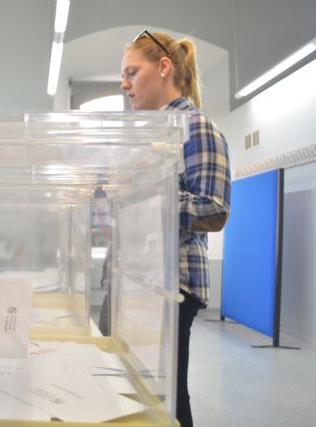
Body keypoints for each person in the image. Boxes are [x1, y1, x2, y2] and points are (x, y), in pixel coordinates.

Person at [120, 30, 231, 427]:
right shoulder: (151, 138)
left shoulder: (195, 128)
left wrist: (143, 200)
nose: (124, 83)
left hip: (173, 285)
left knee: (166, 395)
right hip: (142, 279)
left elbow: (214, 210)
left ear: (164, 67)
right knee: (143, 388)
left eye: (133, 72)